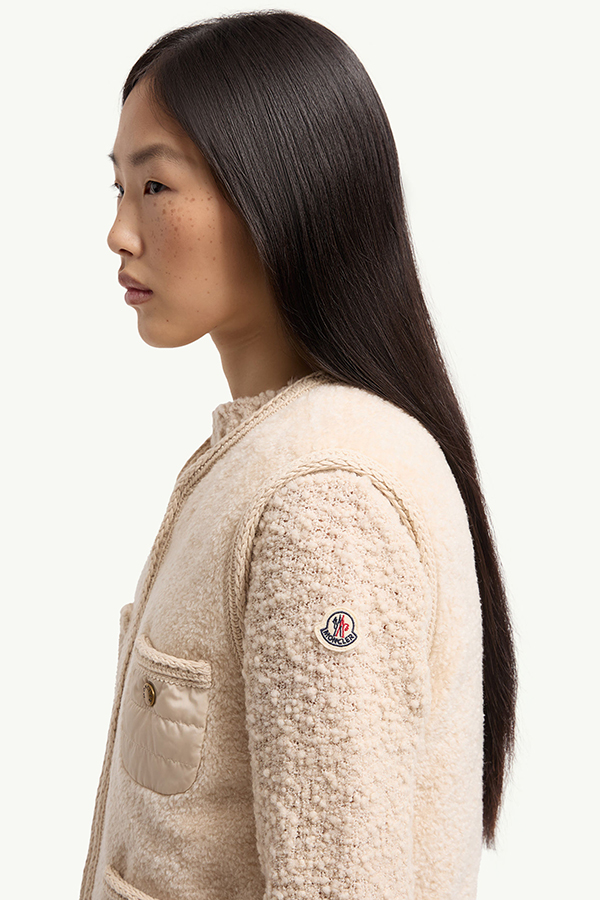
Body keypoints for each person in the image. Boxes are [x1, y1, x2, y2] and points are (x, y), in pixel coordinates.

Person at [81, 11, 517, 900]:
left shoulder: (323, 497)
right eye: (118, 188)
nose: (120, 232)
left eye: (155, 186)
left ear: (278, 193)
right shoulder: (266, 456)